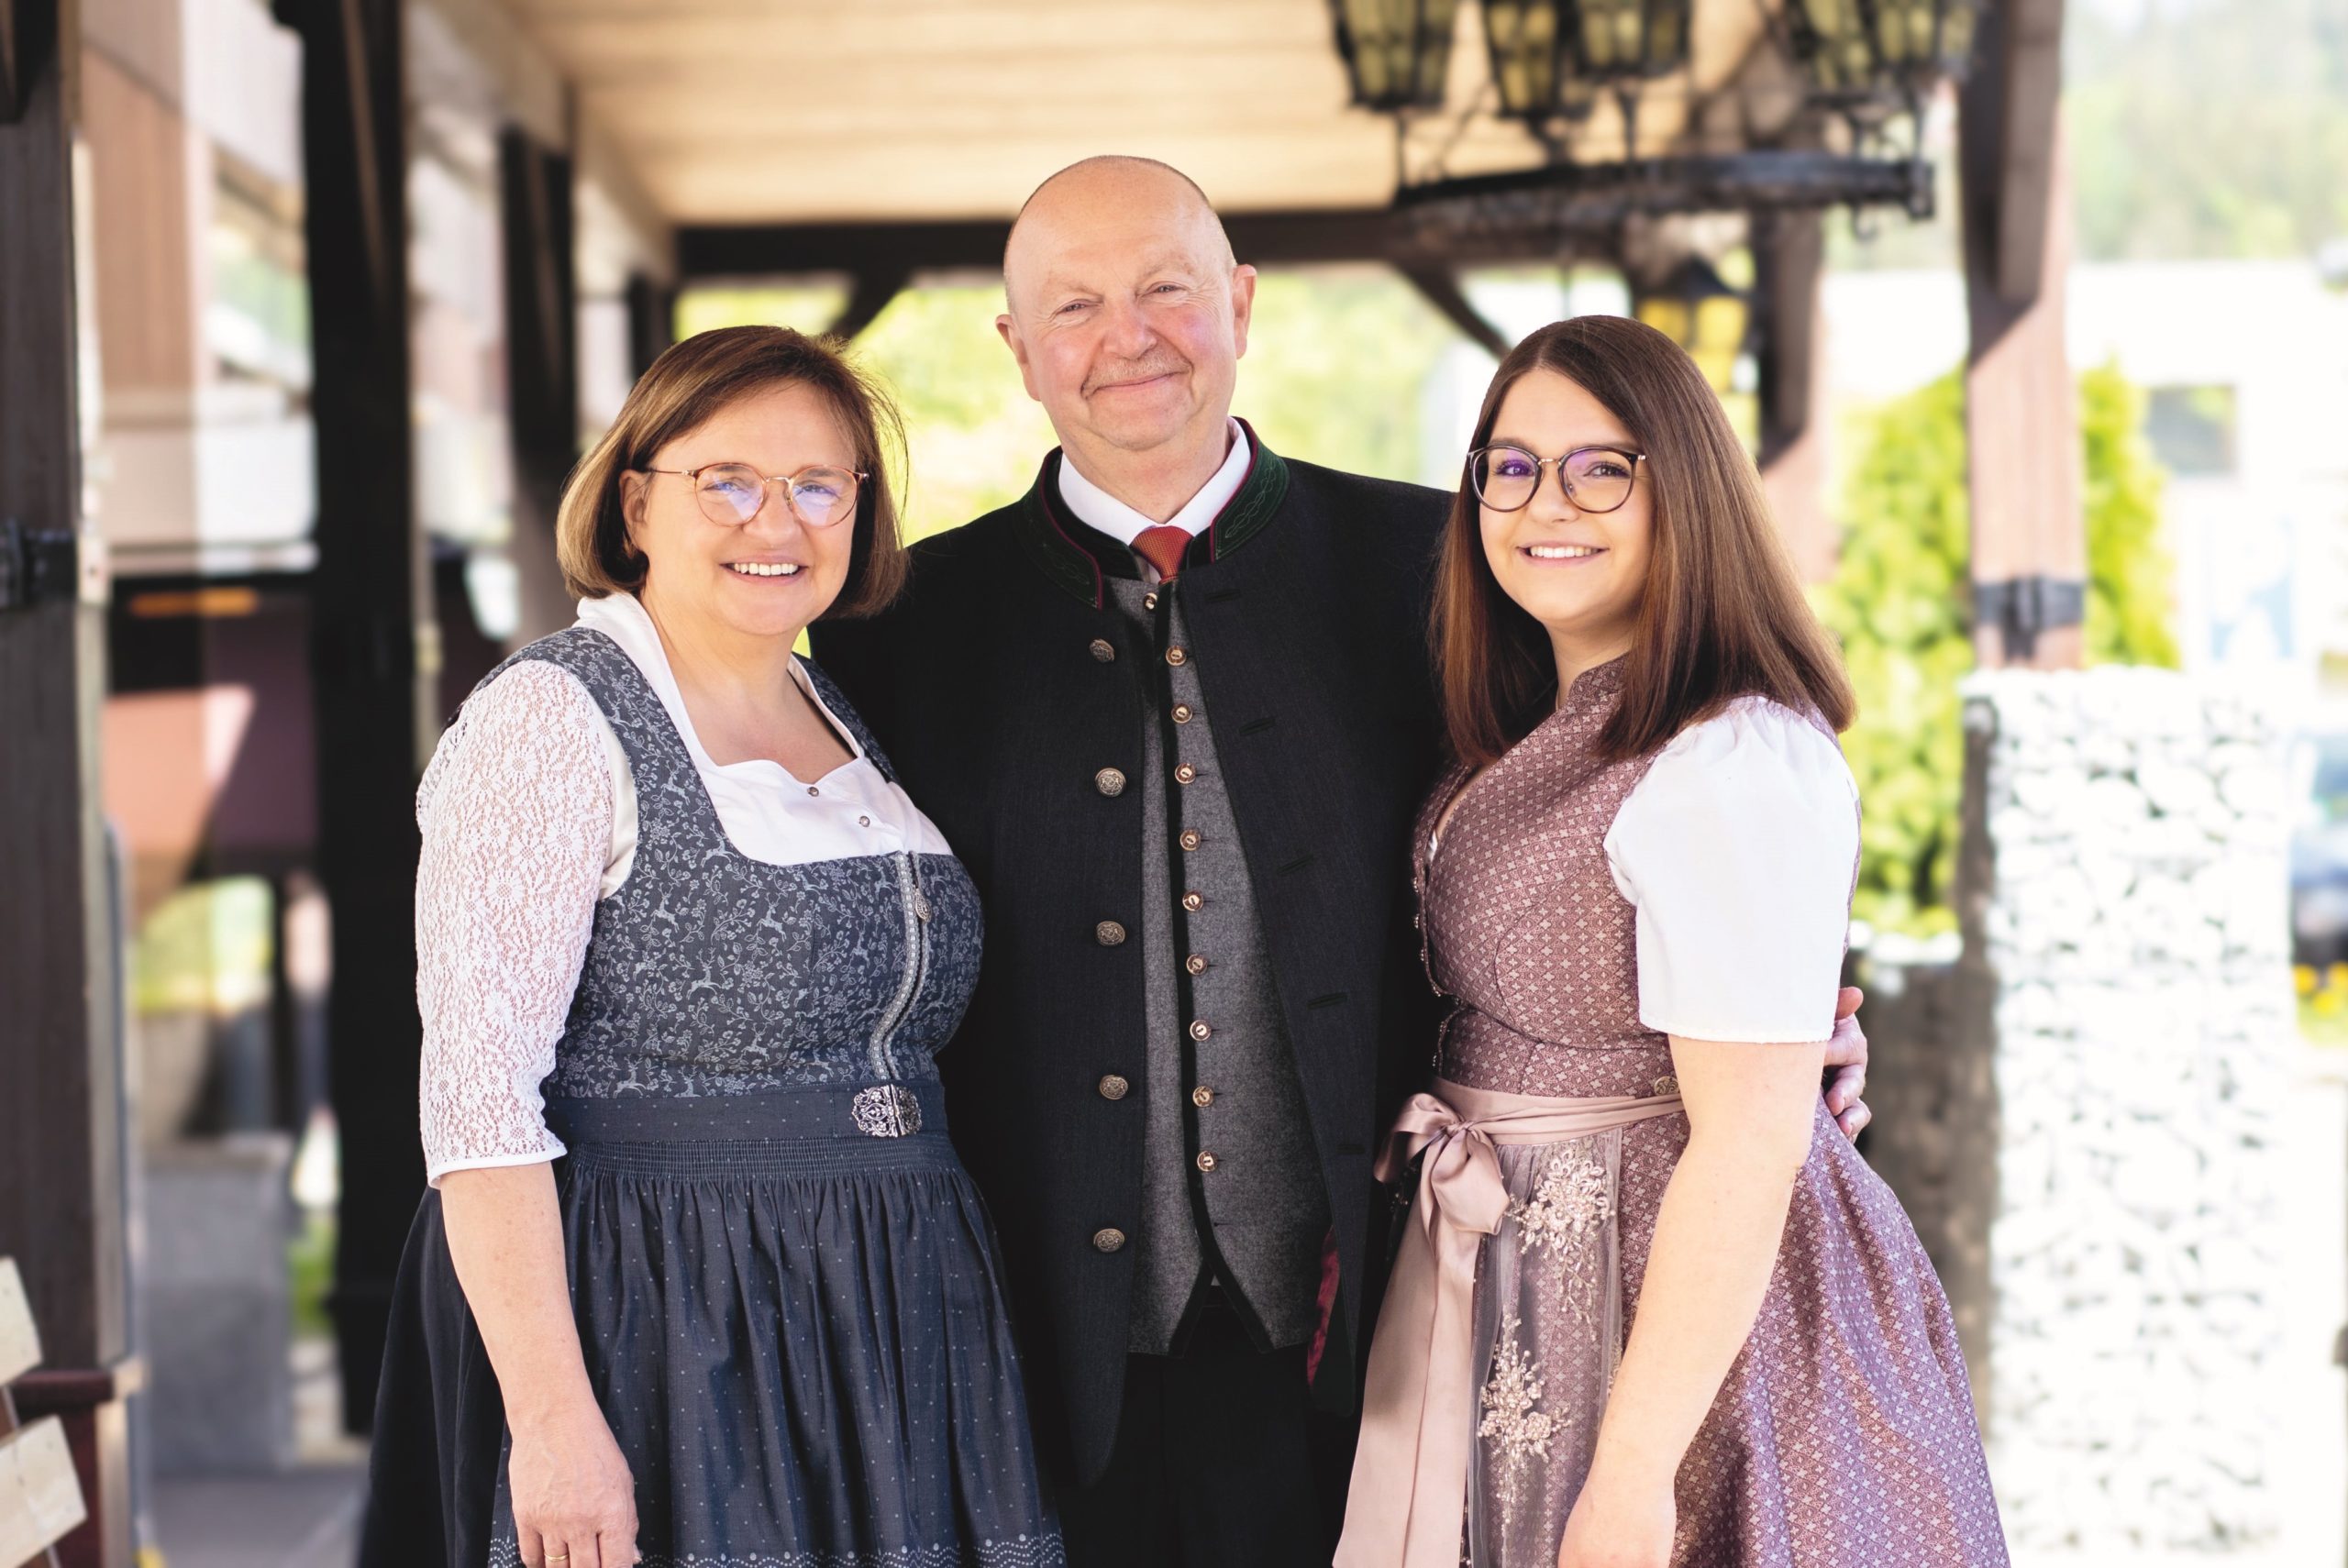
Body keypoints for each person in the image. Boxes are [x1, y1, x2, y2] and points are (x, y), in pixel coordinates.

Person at [812, 157, 1874, 1567]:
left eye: (1167, 289)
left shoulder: (1446, 560)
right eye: (1074, 306)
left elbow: (1629, 812)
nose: (1126, 335)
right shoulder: (903, 620)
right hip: (1035, 1347)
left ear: (1243, 304)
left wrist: (1815, 1022)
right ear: (1015, 352)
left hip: (1384, 1322)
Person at [360, 326, 1062, 1568]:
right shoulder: (552, 718)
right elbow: (475, 1105)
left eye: (817, 485)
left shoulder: (836, 705)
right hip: (663, 1307)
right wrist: (555, 1422)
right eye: (726, 479)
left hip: (887, 1305)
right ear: (638, 499)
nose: (774, 520)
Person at [1334, 315, 2007, 1568]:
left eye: (1603, 466)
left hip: (1672, 1314)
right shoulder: (1536, 731)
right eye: (1513, 464)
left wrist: (1634, 1475)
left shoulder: (1731, 755)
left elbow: (1751, 1138)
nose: (1550, 501)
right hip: (1524, 1272)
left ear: (1683, 489)